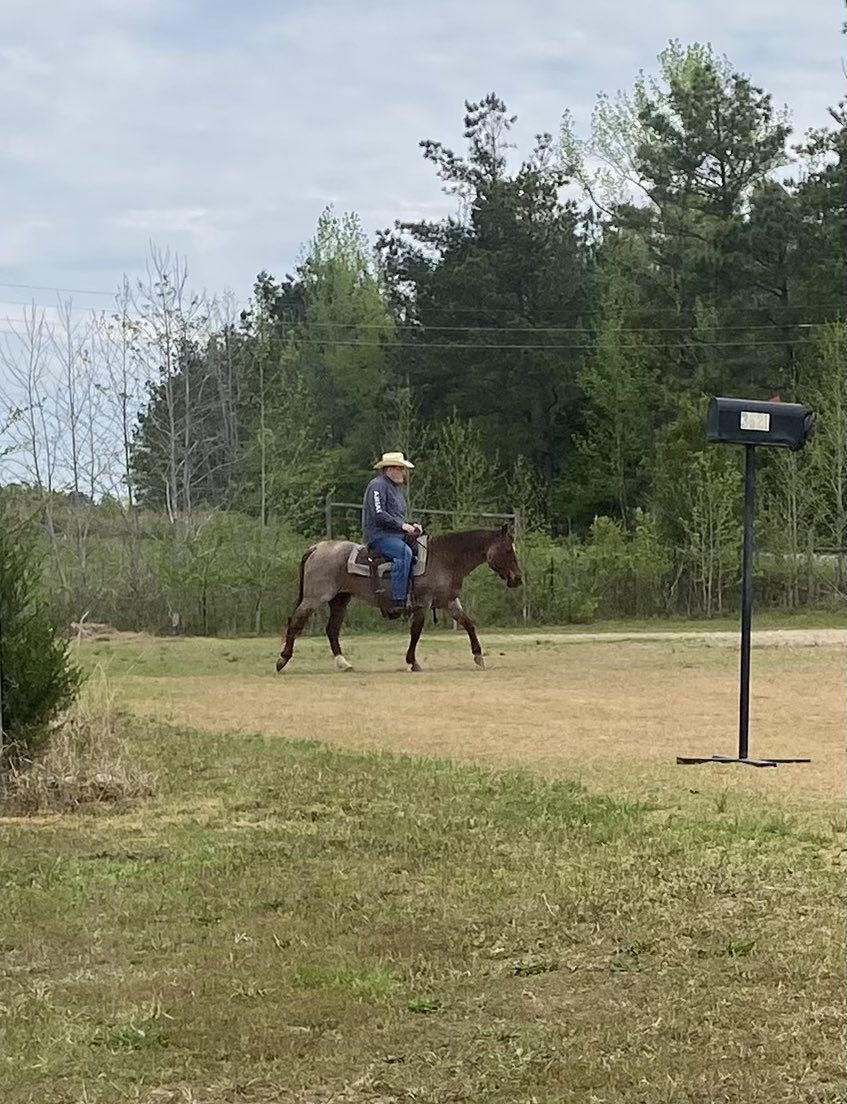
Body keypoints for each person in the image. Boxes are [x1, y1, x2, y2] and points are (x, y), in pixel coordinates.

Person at [362, 451, 422, 611]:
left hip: (396, 535)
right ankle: (397, 600)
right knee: (404, 553)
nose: (404, 472)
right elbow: (379, 513)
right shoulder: (377, 486)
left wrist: (411, 525)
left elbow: (397, 518)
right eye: (401, 468)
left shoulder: (396, 489)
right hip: (380, 536)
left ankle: (416, 594)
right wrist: (403, 526)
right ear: (389, 469)